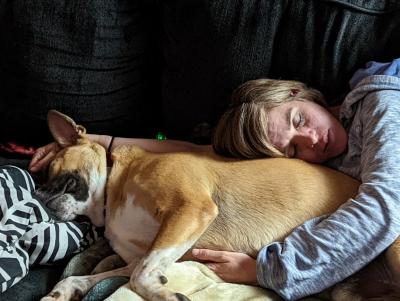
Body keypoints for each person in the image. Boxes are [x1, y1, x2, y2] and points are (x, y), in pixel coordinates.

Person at [28, 58, 400, 300]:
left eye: (298, 120)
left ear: (296, 92)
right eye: (291, 152)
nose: (313, 142)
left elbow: (386, 208)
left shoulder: (382, 105)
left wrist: (270, 270)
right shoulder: (323, 152)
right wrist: (96, 140)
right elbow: (195, 154)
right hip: (346, 272)